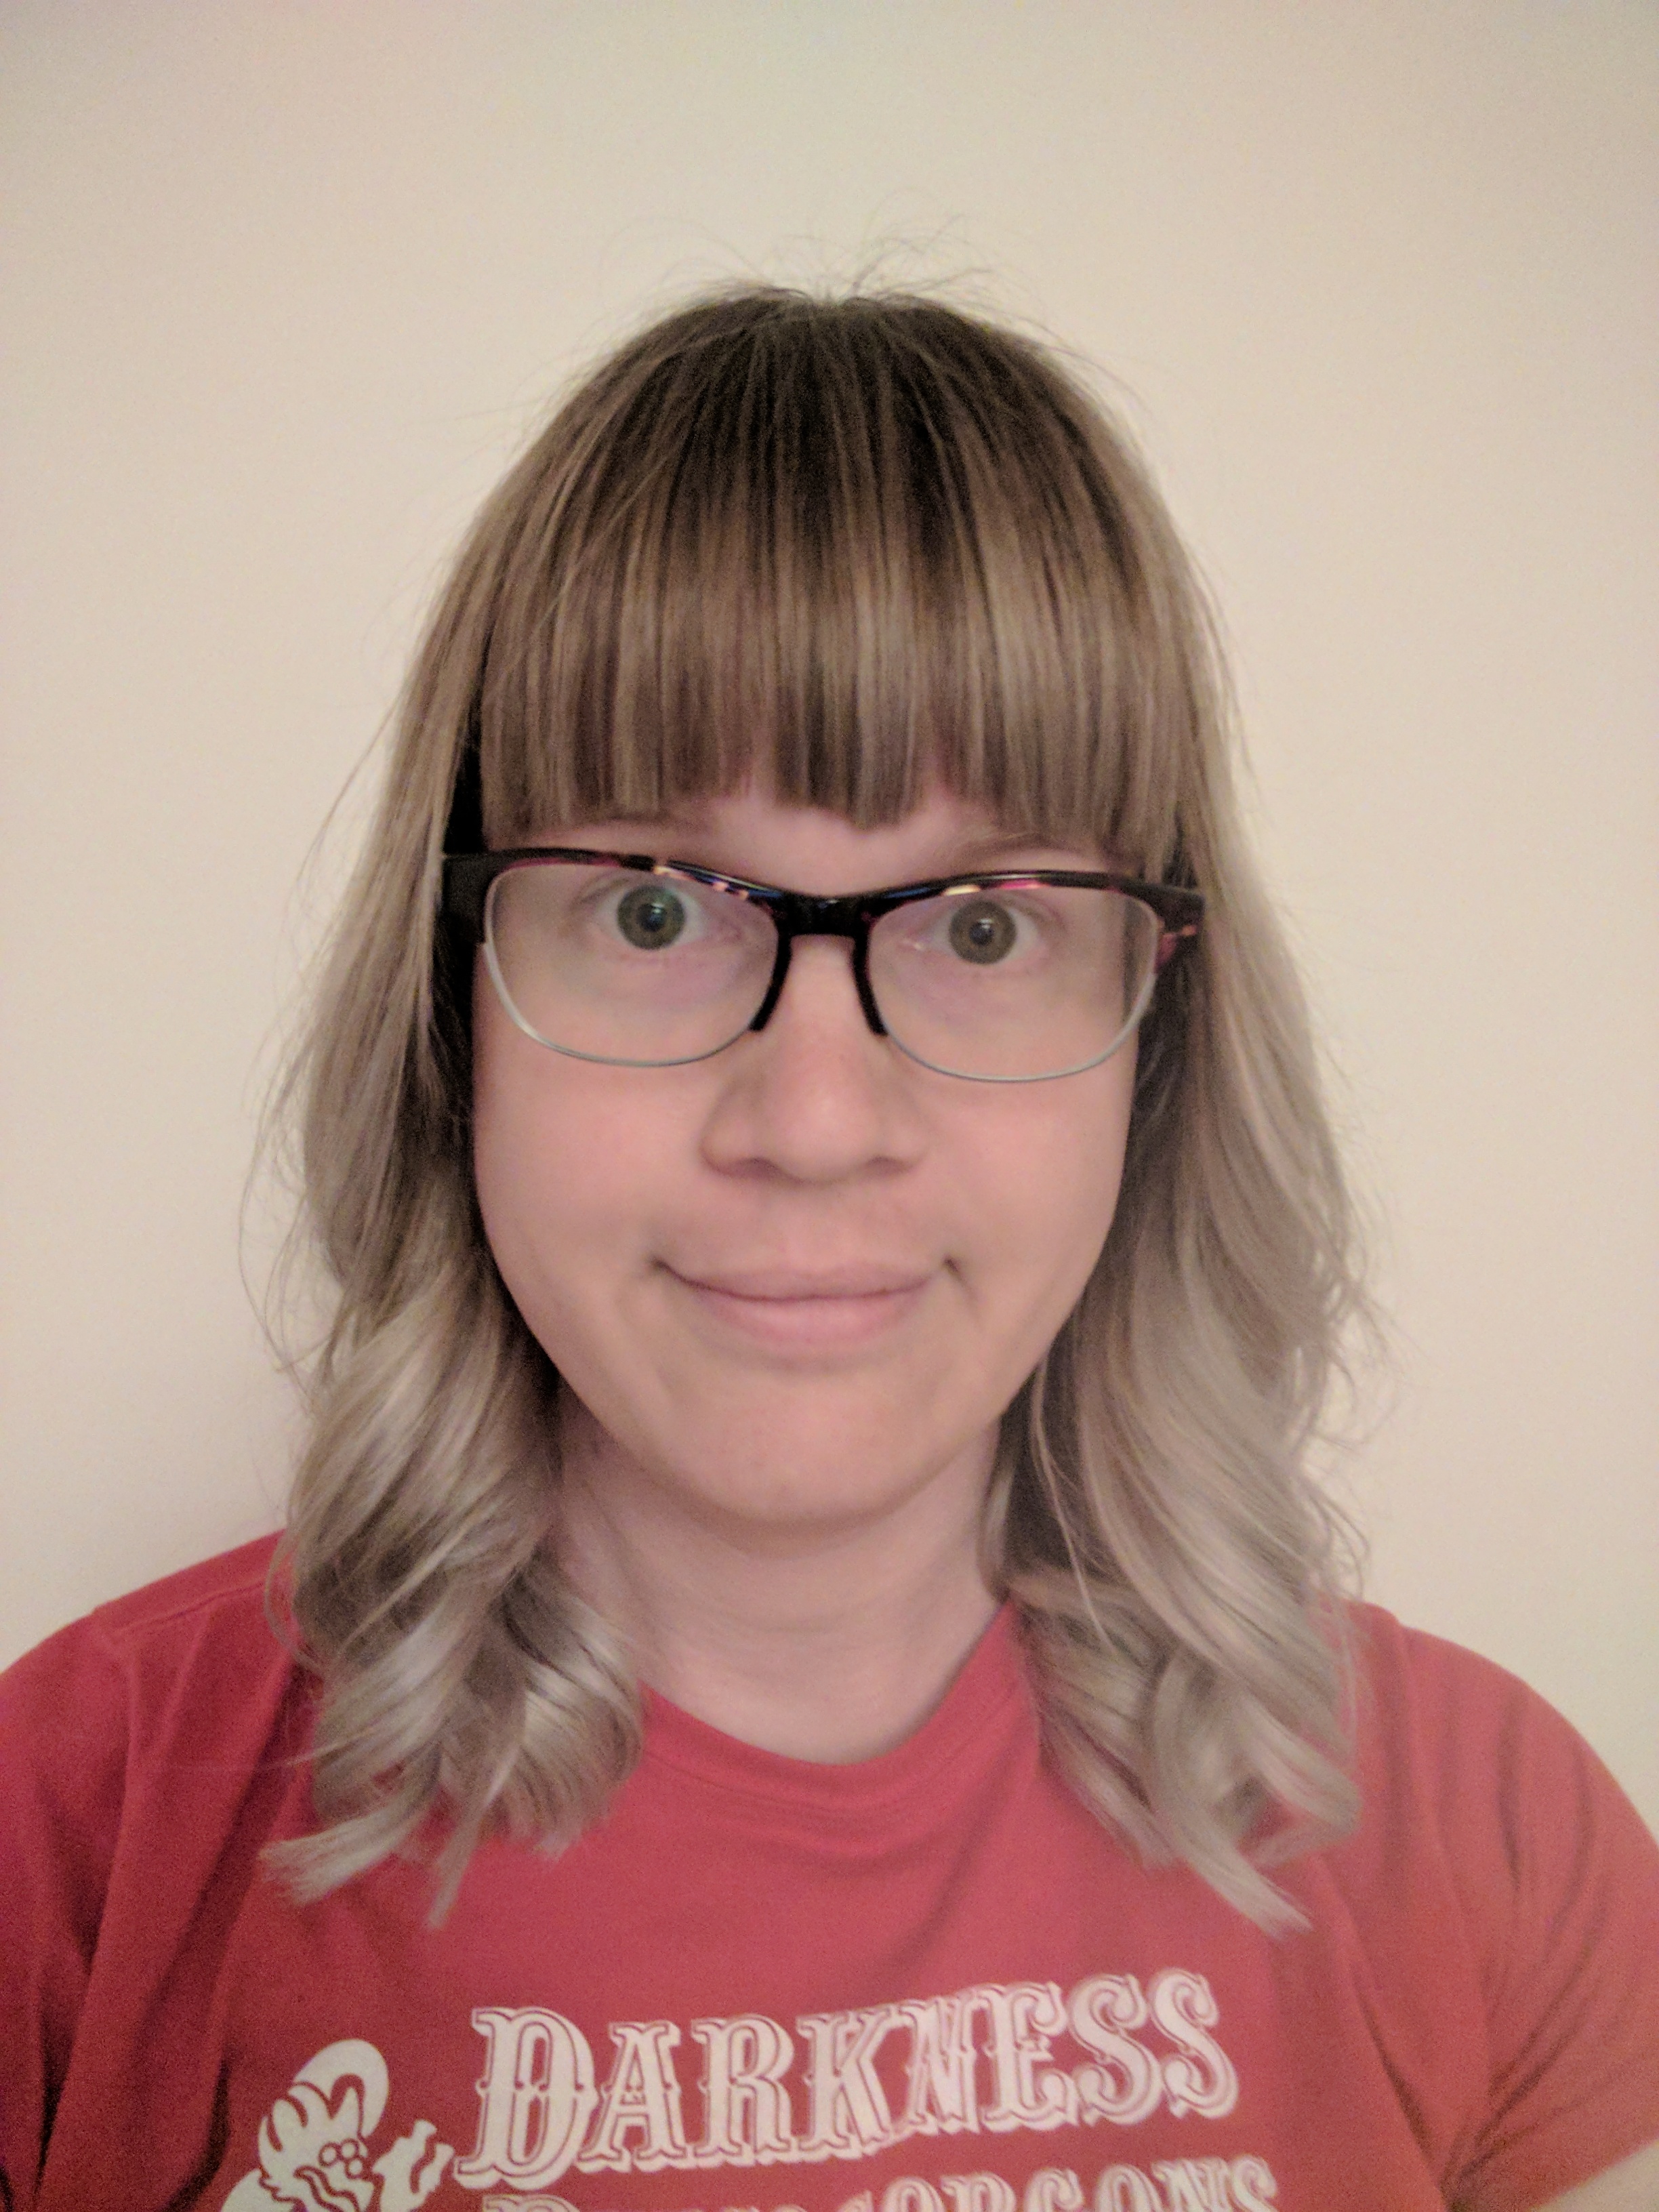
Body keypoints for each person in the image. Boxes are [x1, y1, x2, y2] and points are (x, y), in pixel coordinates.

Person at [2, 287, 1656, 2212]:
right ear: (452, 1010)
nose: (811, 1120)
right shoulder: (74, 1834)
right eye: (648, 911)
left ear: (1160, 1036)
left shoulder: (1492, 1838)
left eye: (983, 926)